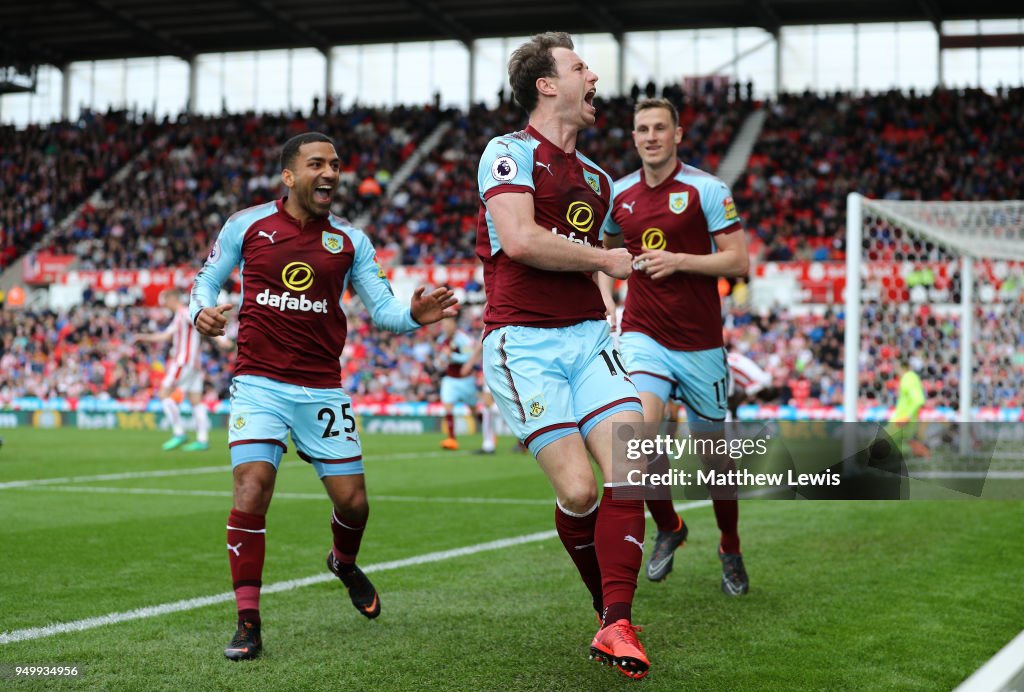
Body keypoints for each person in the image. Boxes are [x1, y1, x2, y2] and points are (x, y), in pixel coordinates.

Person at [190, 131, 457, 661]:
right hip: (259, 384)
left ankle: (342, 561)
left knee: (354, 503)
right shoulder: (246, 225)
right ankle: (248, 622)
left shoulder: (351, 241)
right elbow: (207, 279)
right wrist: (202, 310)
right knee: (251, 486)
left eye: (335, 164)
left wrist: (413, 314)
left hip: (321, 389)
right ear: (289, 176)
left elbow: (383, 310)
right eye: (317, 164)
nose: (331, 172)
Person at [477, 32, 649, 679]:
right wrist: (607, 259)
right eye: (581, 67)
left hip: (588, 338)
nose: (595, 77)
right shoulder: (509, 152)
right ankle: (607, 610)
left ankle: (618, 622)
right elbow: (519, 240)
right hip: (523, 343)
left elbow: (600, 262)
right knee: (579, 491)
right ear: (547, 84)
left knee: (637, 465)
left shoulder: (600, 178)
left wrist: (615, 286)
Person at [601, 98, 751, 595]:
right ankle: (670, 525)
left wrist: (680, 261)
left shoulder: (707, 189)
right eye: (642, 128)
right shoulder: (618, 194)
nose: (650, 136)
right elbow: (600, 253)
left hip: (701, 343)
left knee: (715, 458)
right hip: (642, 332)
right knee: (636, 437)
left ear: (677, 134)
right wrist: (606, 301)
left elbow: (737, 262)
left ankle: (729, 545)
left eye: (659, 128)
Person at [133, 289, 212, 452]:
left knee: (163, 393)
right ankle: (202, 440)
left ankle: (179, 432)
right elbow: (166, 336)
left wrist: (221, 339)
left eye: (165, 302)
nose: (165, 306)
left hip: (183, 361)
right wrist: (144, 338)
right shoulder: (180, 315)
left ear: (172, 299)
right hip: (195, 364)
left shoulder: (184, 312)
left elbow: (201, 324)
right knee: (196, 400)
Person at [436, 316, 478, 451]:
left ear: (454, 324)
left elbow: (468, 357)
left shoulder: (463, 339)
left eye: (448, 323)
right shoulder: (442, 340)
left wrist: (451, 357)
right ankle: (451, 439)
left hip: (465, 379)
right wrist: (442, 360)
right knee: (447, 406)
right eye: (444, 324)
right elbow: (441, 358)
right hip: (450, 379)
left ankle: (487, 433)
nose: (445, 327)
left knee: (473, 409)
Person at [887, 359, 929, 458]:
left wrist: (907, 417)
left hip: (903, 421)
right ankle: (920, 451)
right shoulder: (909, 378)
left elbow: (919, 400)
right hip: (902, 420)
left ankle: (922, 451)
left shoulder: (909, 378)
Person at [727, 350, 778, 420]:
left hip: (730, 358)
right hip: (728, 367)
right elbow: (743, 394)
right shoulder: (760, 383)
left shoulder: (762, 376)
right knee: (730, 398)